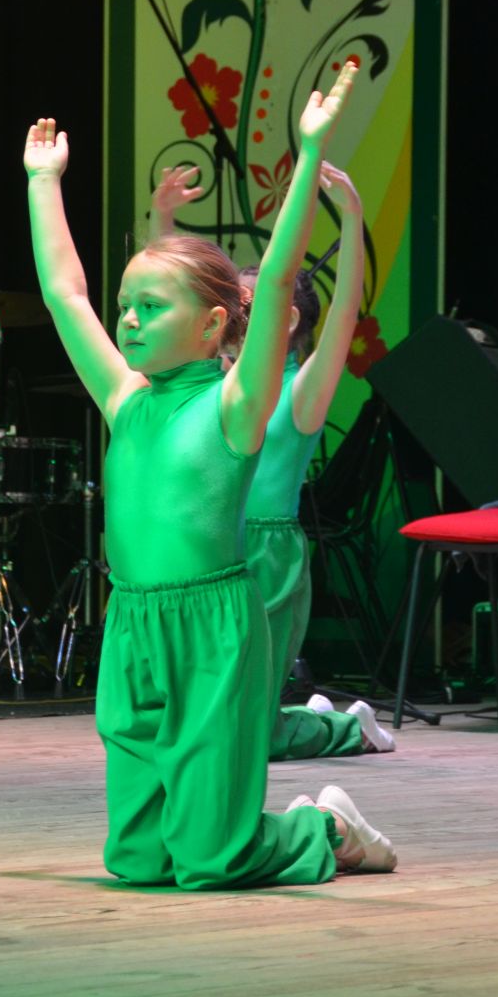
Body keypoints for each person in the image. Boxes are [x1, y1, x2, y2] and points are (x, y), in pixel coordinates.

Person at [25, 60, 396, 889]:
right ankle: (254, 830)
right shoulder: (126, 399)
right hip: (135, 626)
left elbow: (273, 288)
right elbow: (62, 293)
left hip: (215, 631)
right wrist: (43, 183)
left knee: (209, 860)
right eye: (127, 305)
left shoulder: (237, 406)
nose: (127, 319)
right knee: (136, 861)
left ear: (214, 325)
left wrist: (307, 156)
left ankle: (322, 827)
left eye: (151, 308)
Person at [151, 162, 394, 760]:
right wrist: (163, 220)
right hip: (212, 544)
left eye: (246, 301)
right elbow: (172, 298)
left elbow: (342, 319)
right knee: (205, 717)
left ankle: (344, 727)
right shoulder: (216, 382)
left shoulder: (302, 390)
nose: (232, 311)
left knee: (245, 736)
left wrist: (357, 217)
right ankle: (296, 714)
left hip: (268, 555)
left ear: (286, 319)